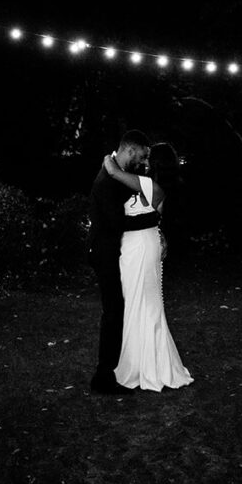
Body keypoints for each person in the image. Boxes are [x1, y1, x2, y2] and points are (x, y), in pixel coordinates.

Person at [103, 141, 194, 392]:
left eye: (148, 156)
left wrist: (110, 158)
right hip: (143, 243)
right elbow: (156, 216)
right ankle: (146, 362)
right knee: (142, 304)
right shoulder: (153, 184)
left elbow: (112, 171)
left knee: (143, 304)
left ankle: (147, 366)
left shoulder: (149, 185)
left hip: (140, 247)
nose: (144, 158)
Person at [88, 129, 152, 394]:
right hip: (105, 253)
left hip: (113, 251)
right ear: (129, 149)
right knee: (113, 312)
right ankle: (103, 377)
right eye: (141, 154)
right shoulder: (106, 179)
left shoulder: (116, 171)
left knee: (118, 311)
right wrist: (152, 220)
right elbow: (117, 222)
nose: (143, 160)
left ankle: (113, 370)